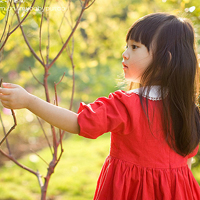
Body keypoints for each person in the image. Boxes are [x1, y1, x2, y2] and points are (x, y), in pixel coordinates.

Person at [0, 12, 200, 199]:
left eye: (135, 47)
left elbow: (78, 123)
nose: (124, 53)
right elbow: (188, 161)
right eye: (126, 46)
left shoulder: (127, 105)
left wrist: (29, 101)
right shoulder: (188, 109)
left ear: (164, 60)